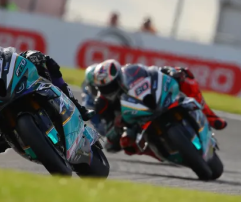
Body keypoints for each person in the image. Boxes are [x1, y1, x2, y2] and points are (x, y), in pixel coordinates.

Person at [0, 45, 95, 156]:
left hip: (11, 90)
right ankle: (22, 140)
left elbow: (9, 56)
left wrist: (27, 56)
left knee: (42, 59)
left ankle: (75, 105)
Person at [91, 59, 227, 155]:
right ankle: (160, 152)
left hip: (153, 102)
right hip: (134, 123)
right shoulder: (102, 104)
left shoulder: (131, 71)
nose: (109, 89)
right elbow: (108, 139)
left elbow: (152, 72)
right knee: (127, 144)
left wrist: (171, 71)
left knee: (187, 79)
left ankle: (210, 117)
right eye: (105, 88)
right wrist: (116, 128)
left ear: (119, 77)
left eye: (112, 85)